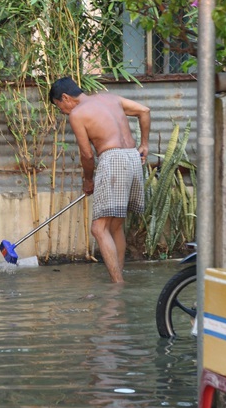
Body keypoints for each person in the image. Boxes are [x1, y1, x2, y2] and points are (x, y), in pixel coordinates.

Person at [49, 76, 150, 283]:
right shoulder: (111, 98)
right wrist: (144, 145)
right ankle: (118, 276)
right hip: (132, 157)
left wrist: (88, 180)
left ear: (66, 98)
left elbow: (87, 155)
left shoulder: (77, 114)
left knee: (98, 228)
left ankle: (117, 285)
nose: (62, 111)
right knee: (115, 226)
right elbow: (144, 111)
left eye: (59, 107)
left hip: (113, 160)